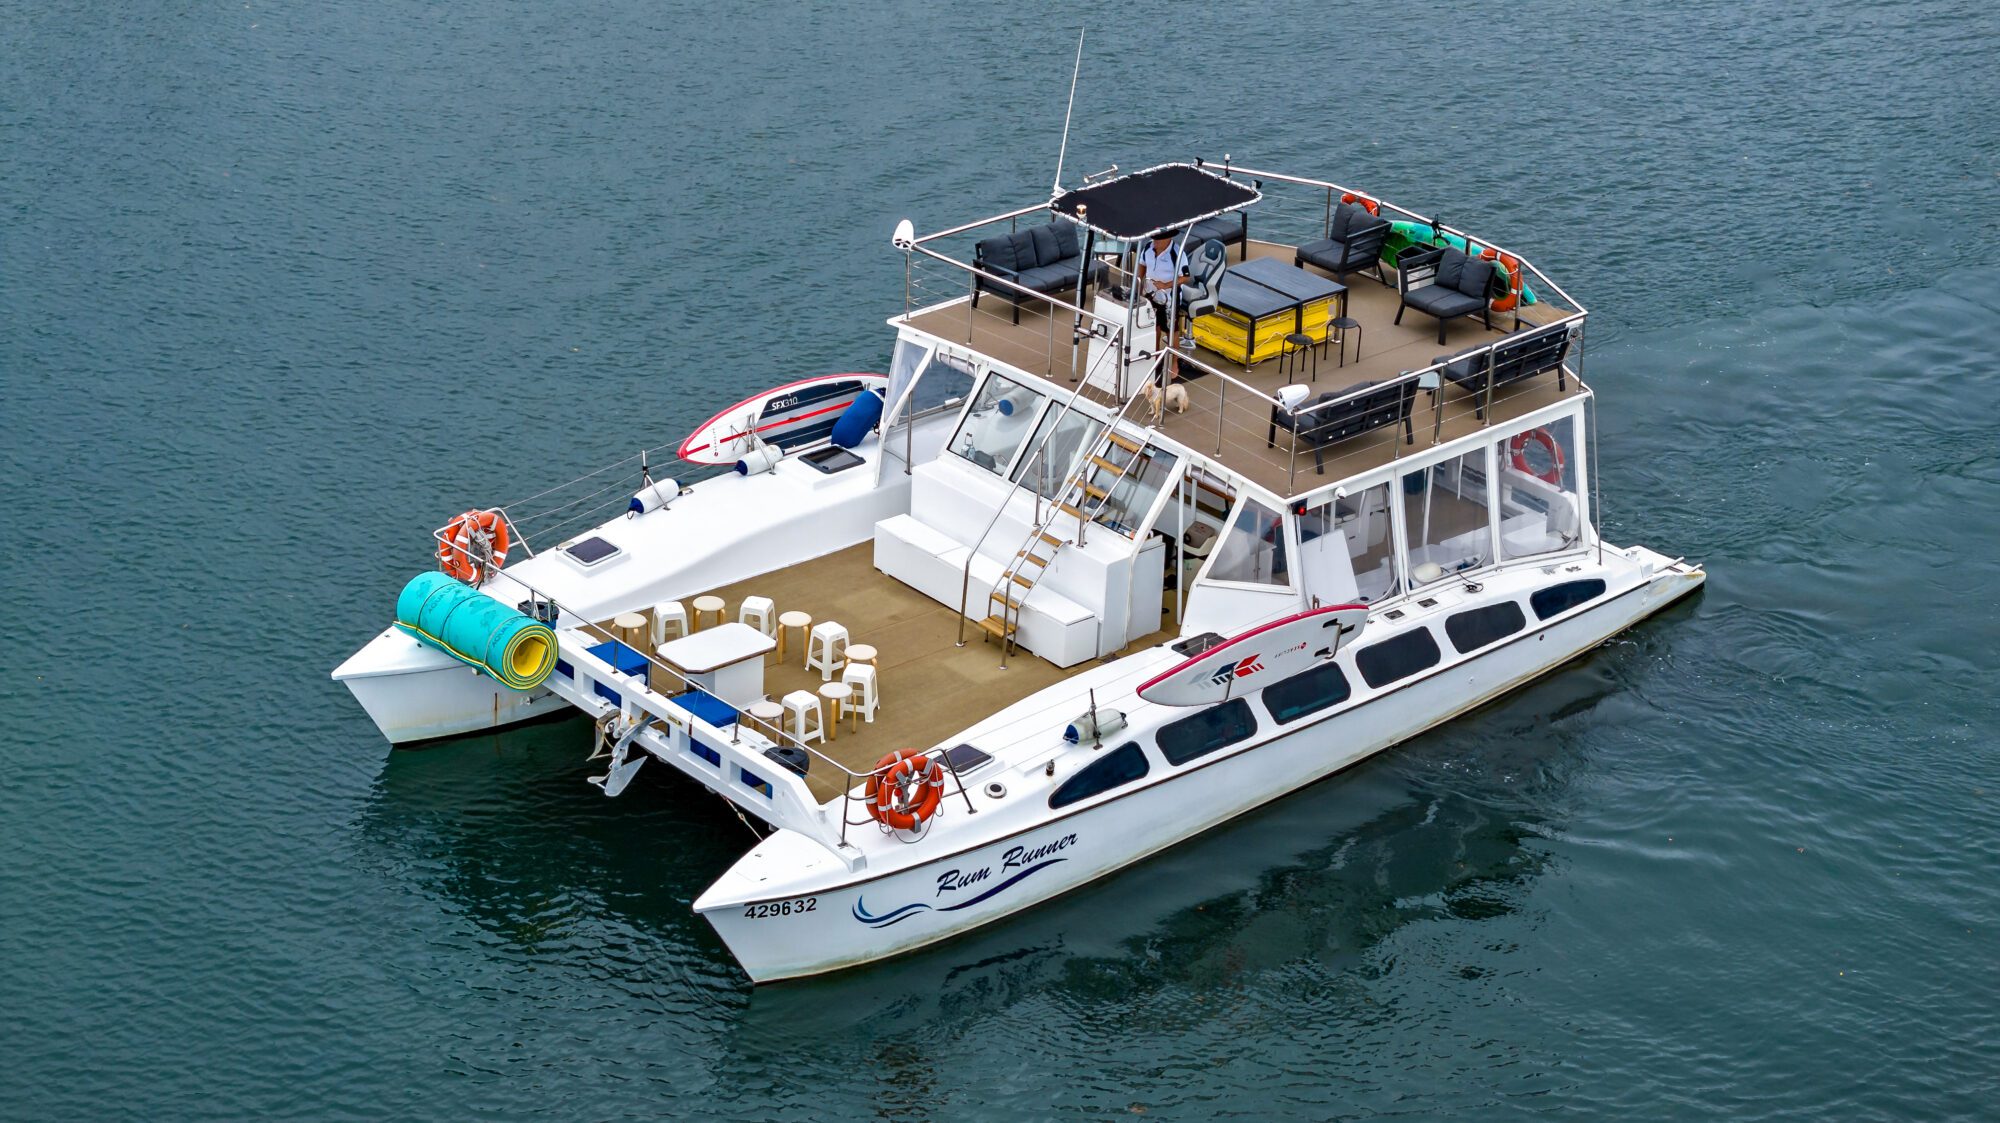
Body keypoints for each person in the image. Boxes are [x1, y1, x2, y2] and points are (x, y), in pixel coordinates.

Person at [1137, 229, 1189, 351]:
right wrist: (1138, 288)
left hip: (1169, 299)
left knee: (1171, 330)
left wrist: (1166, 285)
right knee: (1155, 327)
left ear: (1168, 239)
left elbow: (1185, 277)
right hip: (1150, 296)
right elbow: (1142, 264)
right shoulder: (1148, 247)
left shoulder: (1177, 253)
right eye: (1153, 238)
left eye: (1157, 239)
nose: (1154, 241)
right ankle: (1155, 357)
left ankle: (1174, 363)